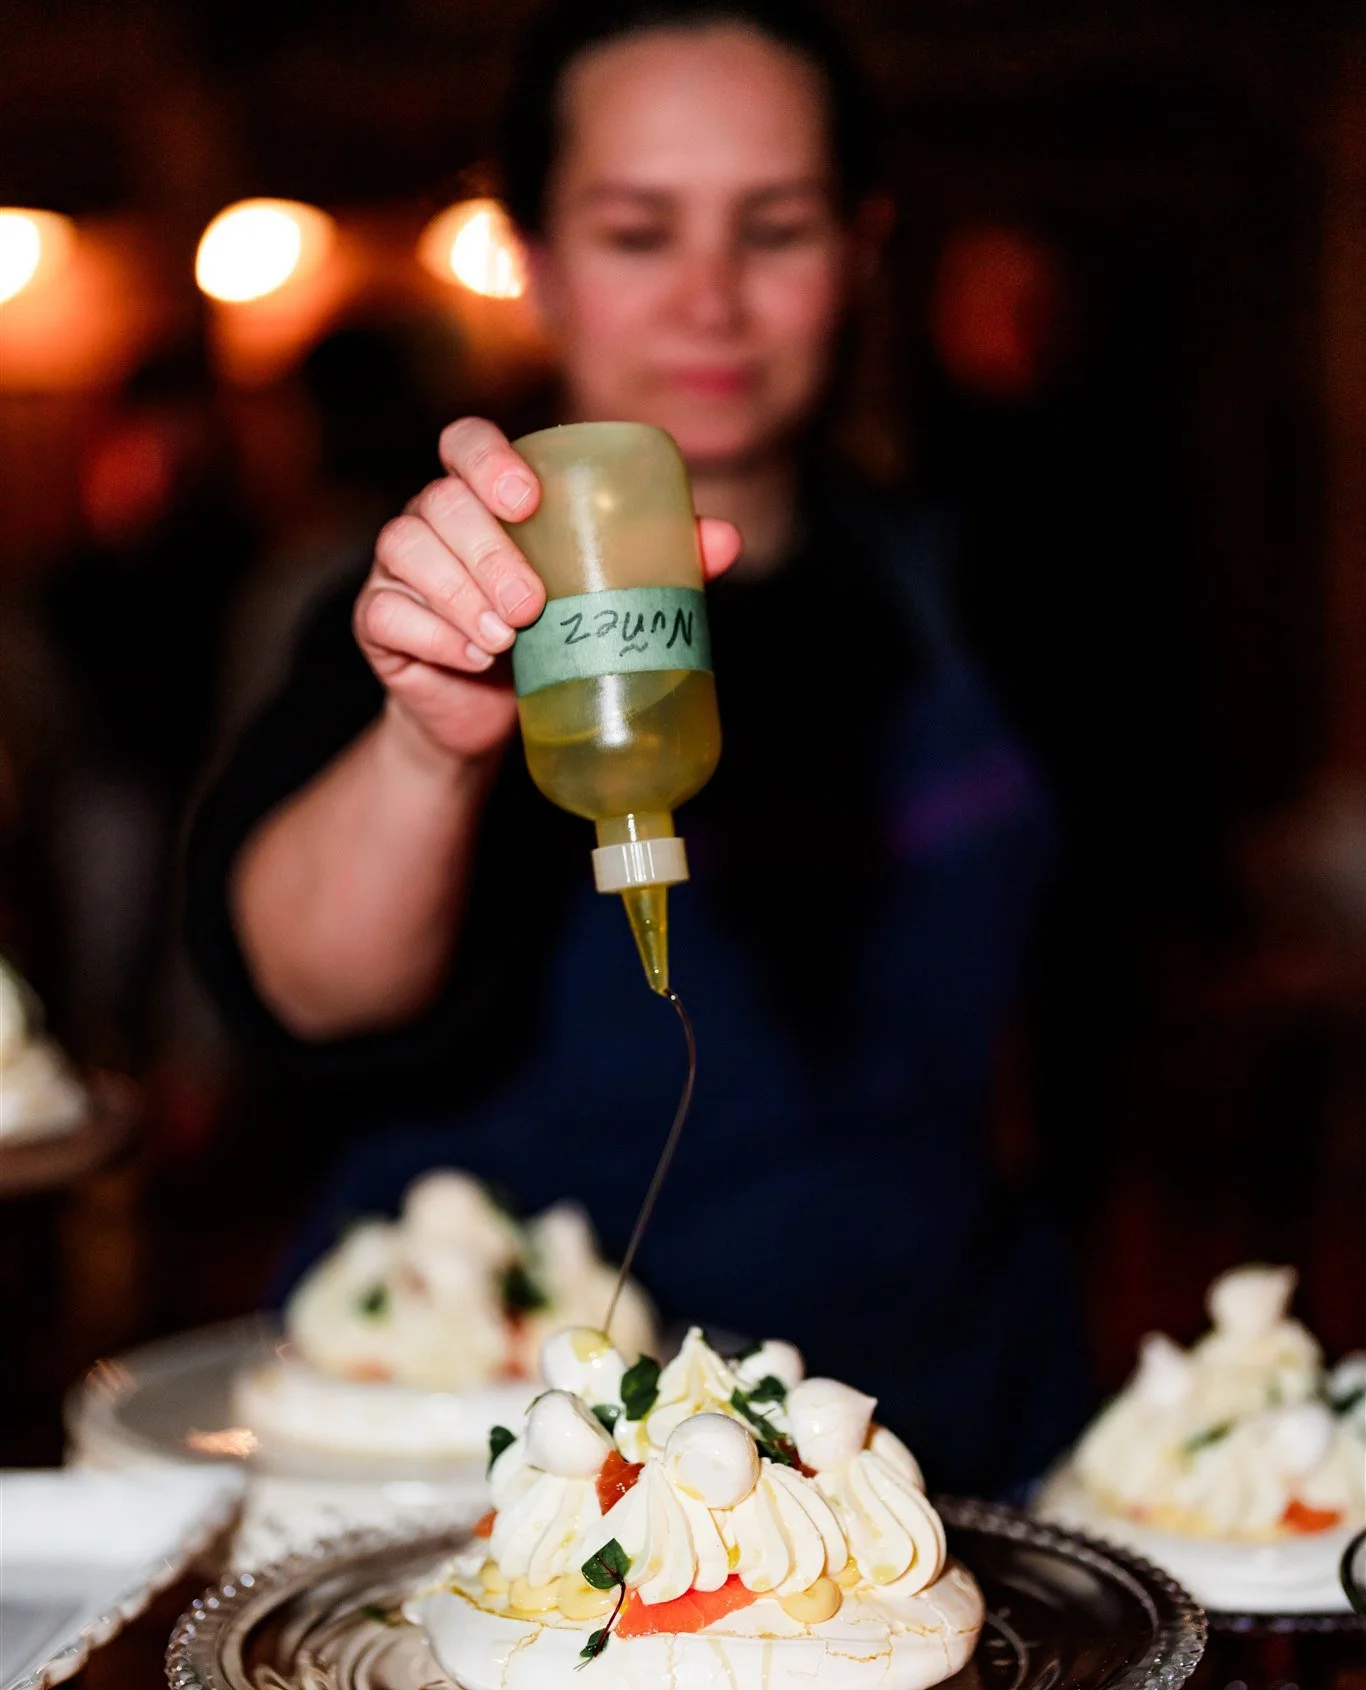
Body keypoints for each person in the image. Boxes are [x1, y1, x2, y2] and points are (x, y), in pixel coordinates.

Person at [188, 0, 1091, 1493]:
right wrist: (431, 744)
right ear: (534, 260)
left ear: (862, 247)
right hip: (504, 1453)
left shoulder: (992, 585)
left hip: (930, 1416)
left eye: (775, 229)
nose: (710, 302)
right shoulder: (410, 596)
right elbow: (305, 986)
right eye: (636, 232)